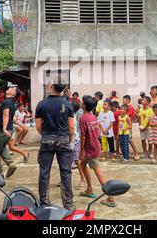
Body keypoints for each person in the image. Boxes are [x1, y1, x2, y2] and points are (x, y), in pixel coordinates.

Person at [35, 82, 75, 210]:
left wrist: (46, 135)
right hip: (63, 139)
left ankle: (44, 203)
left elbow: (38, 126)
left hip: (47, 139)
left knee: (44, 172)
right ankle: (68, 204)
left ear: (50, 87)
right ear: (63, 90)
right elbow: (71, 127)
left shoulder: (41, 104)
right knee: (66, 172)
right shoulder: (67, 104)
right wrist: (68, 139)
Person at [79, 95, 116, 207]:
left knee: (98, 172)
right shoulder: (92, 116)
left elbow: (83, 136)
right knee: (82, 164)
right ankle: (89, 189)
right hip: (95, 145)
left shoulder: (83, 118)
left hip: (90, 148)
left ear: (84, 105)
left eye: (82, 102)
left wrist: (81, 150)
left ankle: (111, 197)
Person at [0, 86, 22, 179]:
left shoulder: (6, 102)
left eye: (12, 88)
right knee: (2, 148)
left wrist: (4, 128)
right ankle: (11, 163)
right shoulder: (14, 103)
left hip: (2, 131)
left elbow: (6, 115)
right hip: (9, 130)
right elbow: (9, 117)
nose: (10, 88)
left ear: (13, 93)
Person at [71, 100, 86, 190]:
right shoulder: (73, 115)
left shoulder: (72, 116)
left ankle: (83, 179)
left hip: (74, 141)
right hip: (73, 141)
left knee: (77, 161)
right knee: (68, 162)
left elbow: (72, 130)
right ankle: (65, 179)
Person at [123, 95, 140, 161]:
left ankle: (136, 153)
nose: (123, 101)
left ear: (127, 100)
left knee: (129, 140)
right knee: (125, 140)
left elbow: (128, 117)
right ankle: (126, 154)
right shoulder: (124, 107)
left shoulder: (130, 108)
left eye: (123, 100)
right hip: (123, 126)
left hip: (128, 126)